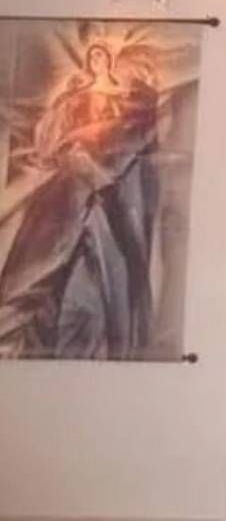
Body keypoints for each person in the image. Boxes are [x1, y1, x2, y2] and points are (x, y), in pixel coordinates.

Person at [0, 40, 160, 359]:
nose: (97, 59)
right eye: (92, 55)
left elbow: (135, 138)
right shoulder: (74, 97)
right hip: (73, 180)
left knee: (105, 264)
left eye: (101, 54)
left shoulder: (126, 100)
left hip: (105, 185)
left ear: (109, 61)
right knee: (46, 253)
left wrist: (96, 144)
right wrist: (66, 113)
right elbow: (48, 140)